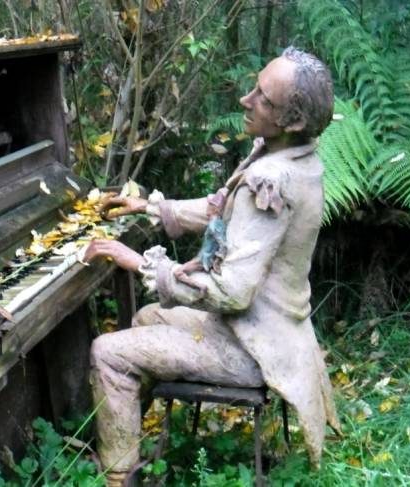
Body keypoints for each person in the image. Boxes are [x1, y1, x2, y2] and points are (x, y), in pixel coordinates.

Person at [84, 47, 341, 486]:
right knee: (147, 318)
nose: (245, 100)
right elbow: (224, 212)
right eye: (255, 88)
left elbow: (233, 291)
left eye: (262, 98)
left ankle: (117, 477)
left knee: (107, 353)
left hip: (251, 348)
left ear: (292, 121)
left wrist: (140, 263)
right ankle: (127, 437)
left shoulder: (271, 181)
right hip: (271, 331)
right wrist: (149, 206)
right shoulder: (290, 157)